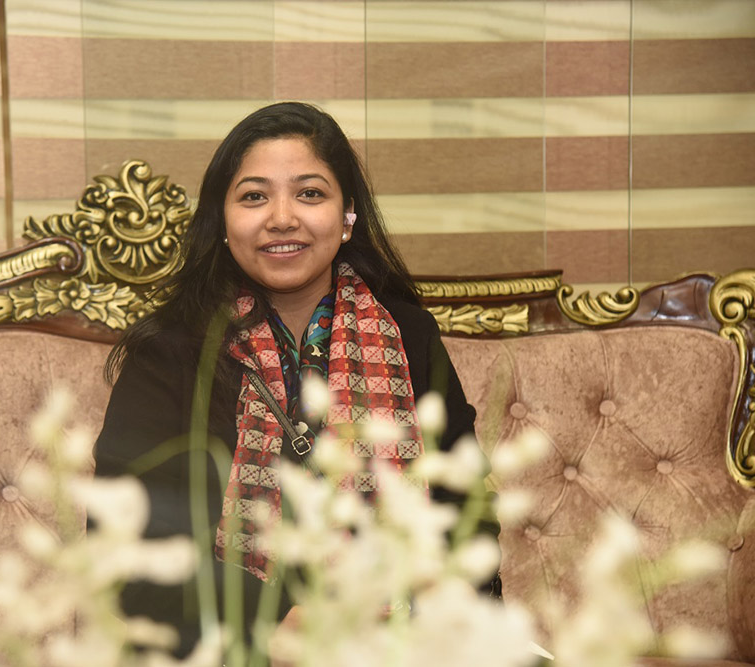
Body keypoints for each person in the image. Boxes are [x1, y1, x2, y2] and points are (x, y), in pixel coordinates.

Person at [93, 101, 498, 659]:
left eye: (309, 193)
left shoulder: (409, 335)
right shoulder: (170, 352)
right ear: (222, 220)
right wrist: (287, 621)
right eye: (254, 196)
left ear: (347, 214)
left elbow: (467, 516)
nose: (282, 218)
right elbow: (126, 549)